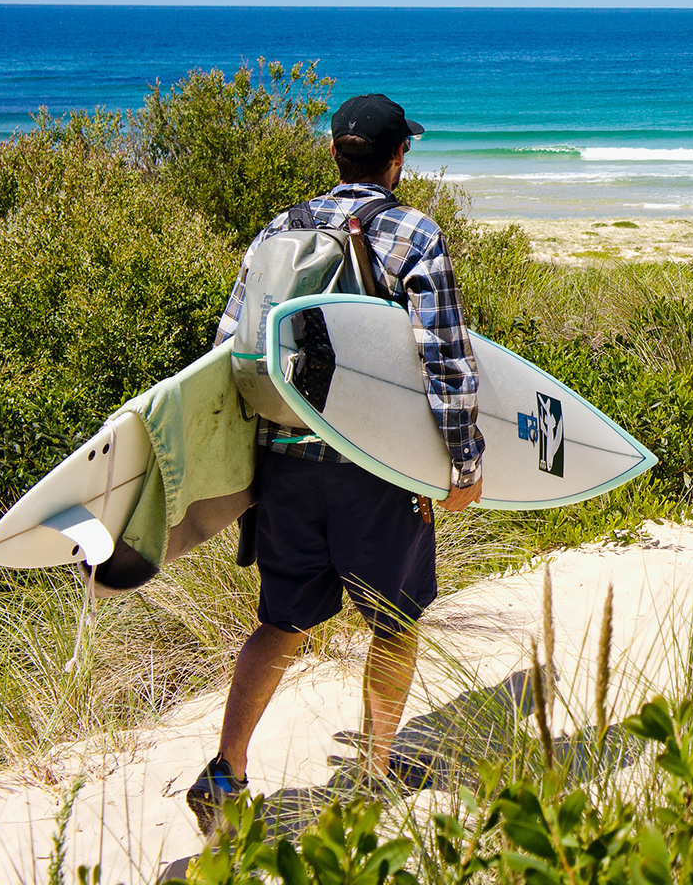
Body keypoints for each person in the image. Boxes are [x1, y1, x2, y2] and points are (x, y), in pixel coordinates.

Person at [185, 93, 486, 836]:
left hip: (286, 460)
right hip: (376, 470)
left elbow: (232, 344)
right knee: (394, 620)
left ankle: (227, 770)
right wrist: (461, 463)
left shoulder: (277, 230)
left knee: (282, 619)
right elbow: (442, 357)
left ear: (331, 151)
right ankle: (378, 771)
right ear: (398, 158)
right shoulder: (414, 232)